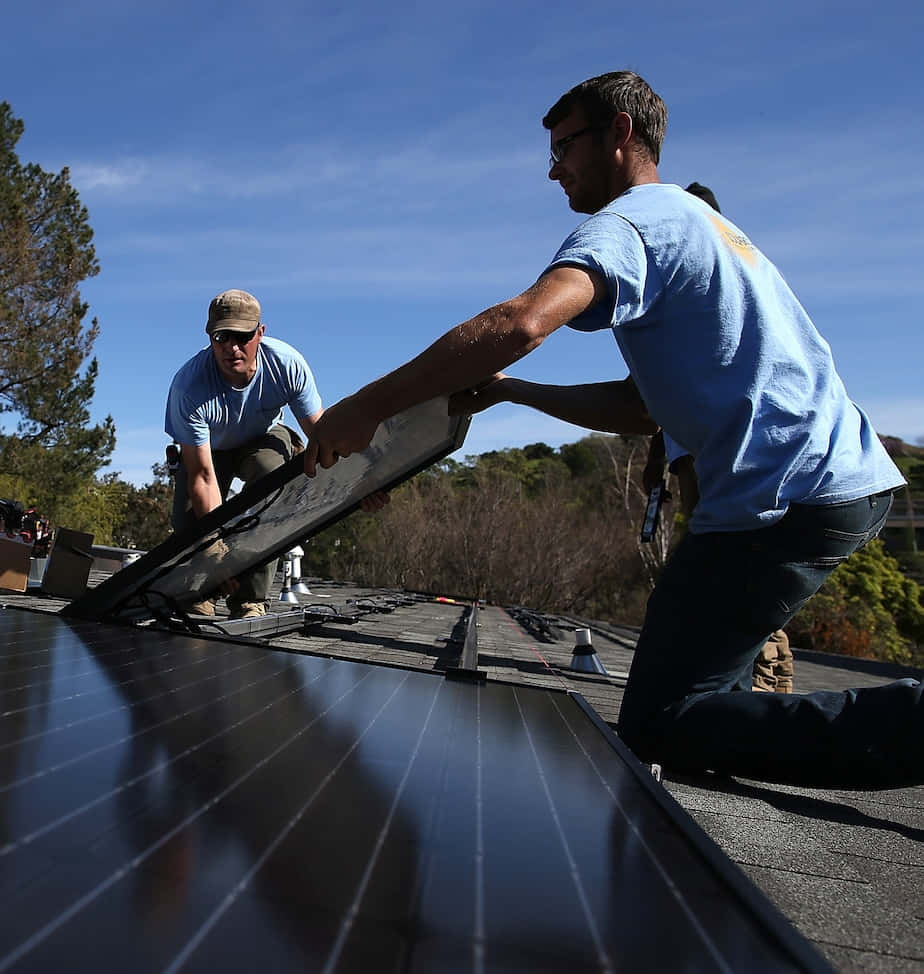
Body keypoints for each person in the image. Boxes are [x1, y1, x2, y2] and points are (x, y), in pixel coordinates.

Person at [304, 71, 916, 788]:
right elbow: (641, 410)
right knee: (685, 704)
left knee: (667, 721)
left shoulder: (637, 220)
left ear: (621, 135)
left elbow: (521, 321)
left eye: (565, 147)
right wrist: (514, 394)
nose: (555, 169)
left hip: (783, 494)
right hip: (815, 485)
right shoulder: (698, 226)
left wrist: (365, 407)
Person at [639, 182, 794, 694]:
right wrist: (656, 459)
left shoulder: (727, 288)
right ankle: (724, 679)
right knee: (712, 572)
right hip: (696, 472)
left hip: (737, 476)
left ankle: (761, 678)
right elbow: (669, 400)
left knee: (738, 576)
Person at [165, 289, 324, 619]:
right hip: (211, 449)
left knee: (272, 476)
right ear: (210, 336)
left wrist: (367, 483)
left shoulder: (286, 364)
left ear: (260, 333)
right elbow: (202, 476)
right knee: (189, 517)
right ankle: (199, 593)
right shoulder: (189, 386)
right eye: (222, 337)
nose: (232, 348)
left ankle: (249, 600)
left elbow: (323, 437)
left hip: (263, 436)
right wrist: (216, 554)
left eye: (243, 336)